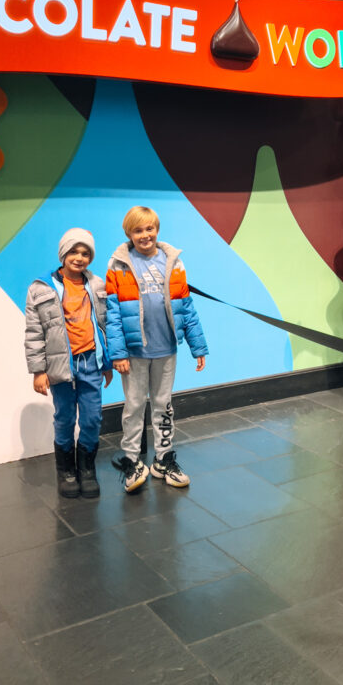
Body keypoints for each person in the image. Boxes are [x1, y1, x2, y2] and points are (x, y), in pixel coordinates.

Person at [105, 206, 208, 492]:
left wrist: (197, 346)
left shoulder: (173, 261)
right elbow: (112, 314)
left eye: (149, 228)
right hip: (135, 353)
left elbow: (186, 306)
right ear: (129, 234)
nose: (145, 235)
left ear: (157, 230)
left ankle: (163, 459)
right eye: (138, 230)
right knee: (134, 406)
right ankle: (132, 460)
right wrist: (118, 354)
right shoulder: (118, 265)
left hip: (166, 349)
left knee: (163, 405)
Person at [24, 229, 112, 498]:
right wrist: (39, 371)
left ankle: (86, 469)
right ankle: (66, 471)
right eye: (74, 251)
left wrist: (107, 362)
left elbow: (105, 325)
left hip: (91, 363)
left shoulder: (97, 285)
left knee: (92, 417)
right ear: (63, 253)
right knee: (64, 418)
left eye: (86, 253)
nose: (80, 257)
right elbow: (34, 332)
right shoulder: (41, 288)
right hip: (60, 366)